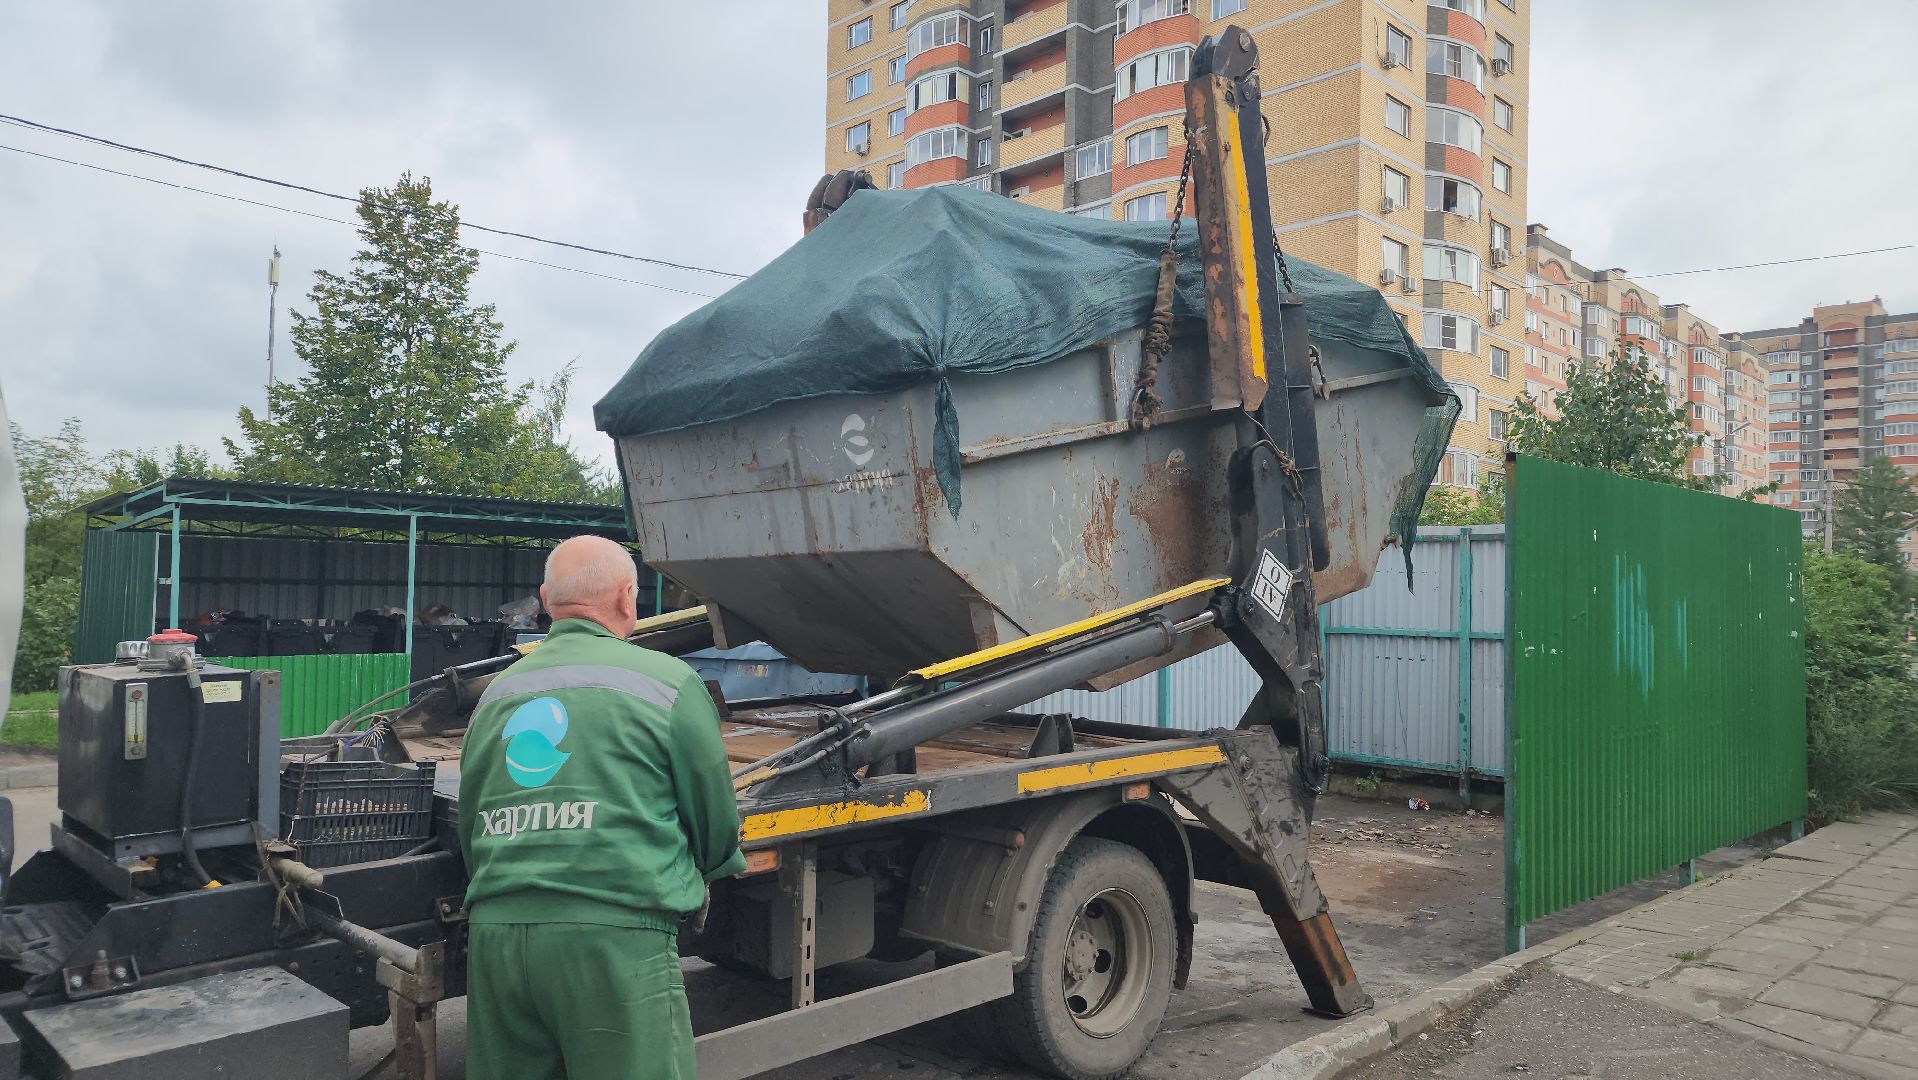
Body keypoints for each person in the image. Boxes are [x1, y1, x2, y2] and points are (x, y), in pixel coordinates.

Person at [458, 535, 744, 1080]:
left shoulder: (494, 694)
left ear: (545, 600)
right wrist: (705, 871)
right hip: (615, 940)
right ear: (627, 597)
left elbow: (473, 818)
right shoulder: (668, 684)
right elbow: (714, 819)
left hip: (497, 936)